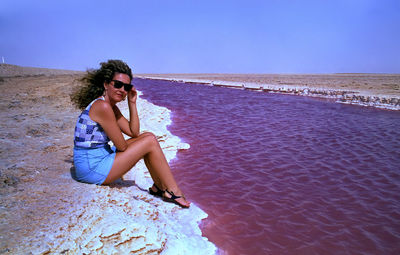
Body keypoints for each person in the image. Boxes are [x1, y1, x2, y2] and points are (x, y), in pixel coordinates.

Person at [70, 59, 190, 208]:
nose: (122, 90)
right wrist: (139, 147)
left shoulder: (109, 106)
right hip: (92, 168)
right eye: (118, 84)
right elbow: (121, 146)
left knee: (148, 137)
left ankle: (159, 187)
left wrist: (132, 103)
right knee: (149, 141)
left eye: (126, 87)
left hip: (98, 158)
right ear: (106, 84)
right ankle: (173, 191)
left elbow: (133, 132)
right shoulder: (103, 107)